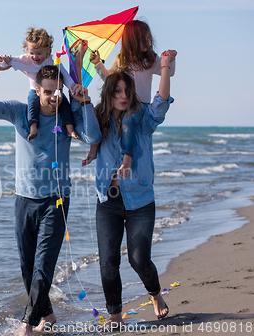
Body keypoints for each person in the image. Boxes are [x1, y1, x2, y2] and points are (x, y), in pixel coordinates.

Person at [0, 61, 100, 335]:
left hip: (57, 200)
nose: (54, 97)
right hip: (24, 200)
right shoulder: (20, 113)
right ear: (37, 90)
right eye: (48, 92)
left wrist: (84, 102)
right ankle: (47, 314)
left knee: (43, 265)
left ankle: (26, 324)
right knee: (28, 267)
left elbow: (93, 136)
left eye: (58, 92)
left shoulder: (66, 118)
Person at [81, 51, 173, 330]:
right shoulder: (100, 119)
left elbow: (161, 104)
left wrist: (166, 68)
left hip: (141, 201)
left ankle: (155, 293)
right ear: (110, 93)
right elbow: (85, 132)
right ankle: (115, 316)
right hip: (107, 199)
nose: (122, 95)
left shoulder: (143, 118)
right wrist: (81, 95)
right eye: (117, 90)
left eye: (126, 91)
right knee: (108, 262)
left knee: (138, 259)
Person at [85, 19, 177, 178]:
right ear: (131, 41)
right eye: (142, 39)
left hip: (141, 107)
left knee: (128, 121)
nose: (147, 42)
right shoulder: (121, 59)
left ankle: (127, 159)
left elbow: (169, 73)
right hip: (124, 104)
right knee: (100, 117)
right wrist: (97, 63)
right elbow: (110, 80)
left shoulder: (150, 59)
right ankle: (94, 150)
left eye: (148, 38)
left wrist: (170, 61)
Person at [0, 27, 85, 141]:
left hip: (52, 91)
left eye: (39, 53)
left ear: (47, 51)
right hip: (35, 90)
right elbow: (9, 63)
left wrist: (73, 86)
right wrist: (4, 59)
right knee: (32, 106)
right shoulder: (26, 60)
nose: (35, 56)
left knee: (65, 105)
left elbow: (64, 75)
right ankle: (33, 129)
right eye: (31, 52)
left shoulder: (52, 60)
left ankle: (70, 130)